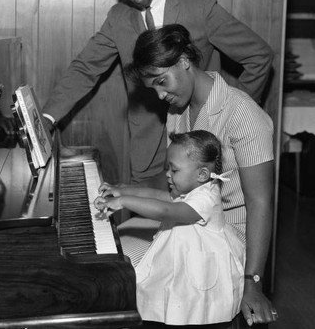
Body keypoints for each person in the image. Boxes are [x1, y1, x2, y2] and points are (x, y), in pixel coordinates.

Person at [42, 0, 273, 186]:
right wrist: (48, 117)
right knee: (147, 219)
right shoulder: (118, 18)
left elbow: (259, 55)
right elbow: (85, 69)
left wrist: (230, 112)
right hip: (147, 149)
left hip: (201, 144)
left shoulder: (200, 7)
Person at [124, 23, 277, 326]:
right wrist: (122, 190)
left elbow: (261, 203)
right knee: (120, 247)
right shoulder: (178, 113)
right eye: (152, 87)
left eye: (161, 81)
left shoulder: (242, 114)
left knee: (129, 272)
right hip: (192, 222)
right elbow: (176, 183)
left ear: (184, 62)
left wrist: (252, 281)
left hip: (228, 238)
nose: (159, 94)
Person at [94, 130, 246, 326]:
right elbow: (158, 196)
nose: (167, 174)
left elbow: (166, 210)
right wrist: (122, 190)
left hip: (200, 267)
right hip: (183, 257)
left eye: (174, 170)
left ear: (202, 174)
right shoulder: (193, 187)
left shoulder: (206, 198)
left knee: (197, 311)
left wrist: (123, 201)